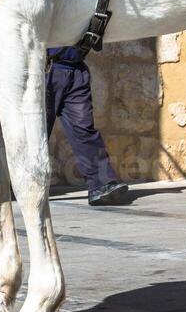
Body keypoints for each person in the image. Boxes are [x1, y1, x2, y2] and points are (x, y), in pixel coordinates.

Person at [46, 46, 132, 206]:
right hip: (46, 68)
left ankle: (101, 185)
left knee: (84, 129)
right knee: (36, 132)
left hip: (76, 68)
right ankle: (17, 185)